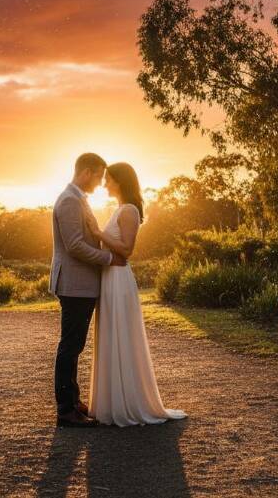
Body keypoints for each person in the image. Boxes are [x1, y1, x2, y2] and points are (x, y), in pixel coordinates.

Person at [85, 162, 187, 426]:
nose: (105, 184)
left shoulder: (128, 210)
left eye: (109, 179)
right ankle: (110, 402)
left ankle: (127, 403)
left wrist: (97, 233)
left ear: (121, 181)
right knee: (111, 335)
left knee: (121, 336)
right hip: (110, 278)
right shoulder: (118, 209)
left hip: (119, 280)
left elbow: (127, 249)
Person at [49, 153, 126, 428]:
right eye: (98, 176)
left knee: (75, 344)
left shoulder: (78, 198)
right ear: (85, 173)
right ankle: (65, 410)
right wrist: (108, 259)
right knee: (70, 345)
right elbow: (75, 246)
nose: (100, 182)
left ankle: (73, 400)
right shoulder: (70, 201)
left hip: (80, 283)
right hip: (74, 283)